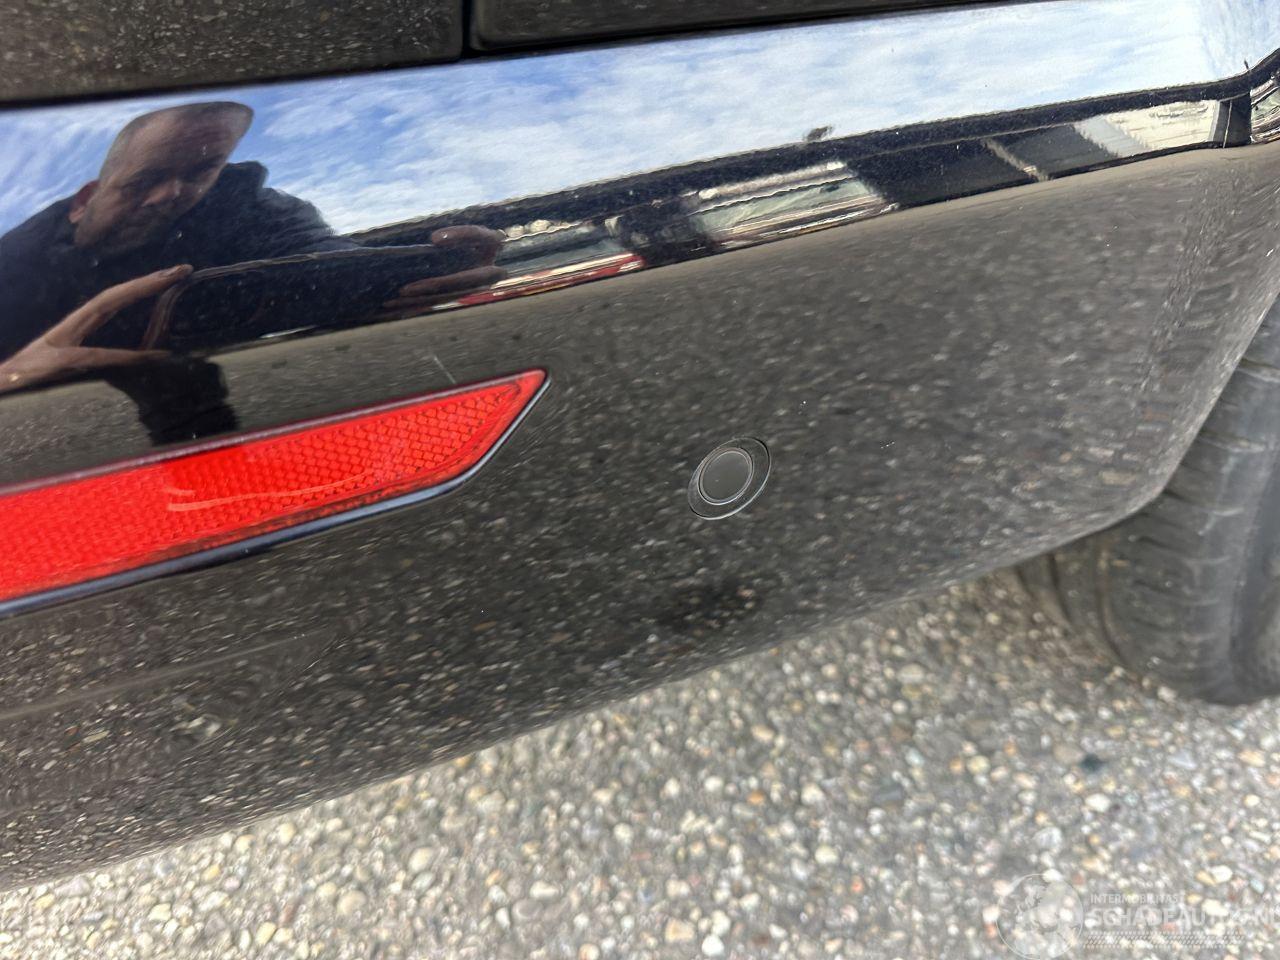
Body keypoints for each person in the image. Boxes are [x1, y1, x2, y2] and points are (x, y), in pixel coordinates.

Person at [0, 101, 503, 393]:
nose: (171, 194)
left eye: (201, 171)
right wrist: (13, 378)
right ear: (82, 200)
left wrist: (407, 275)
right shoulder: (15, 259)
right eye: (144, 180)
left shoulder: (256, 210)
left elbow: (325, 259)